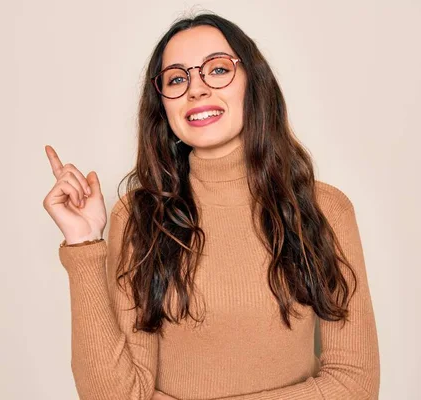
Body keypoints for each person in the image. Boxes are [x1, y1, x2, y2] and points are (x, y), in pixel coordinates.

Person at [43, 12, 380, 400]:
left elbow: (354, 384)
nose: (196, 89)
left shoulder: (326, 209)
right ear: (163, 108)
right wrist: (83, 244)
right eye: (177, 78)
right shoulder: (138, 217)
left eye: (217, 70)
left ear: (253, 84)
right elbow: (114, 396)